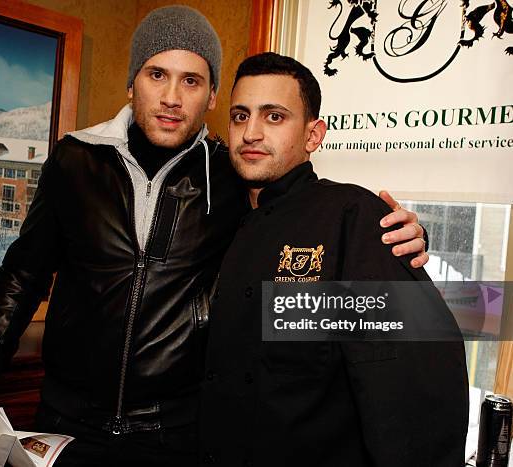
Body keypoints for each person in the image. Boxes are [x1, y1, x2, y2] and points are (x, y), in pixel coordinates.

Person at [0, 7, 429, 466]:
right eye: (157, 75)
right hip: (68, 424)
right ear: (132, 84)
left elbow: (302, 220)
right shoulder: (75, 160)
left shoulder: (234, 174)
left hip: (177, 433)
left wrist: (392, 236)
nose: (172, 97)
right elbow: (24, 272)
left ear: (212, 97)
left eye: (191, 80)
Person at [198, 52, 469, 466]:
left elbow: (420, 384)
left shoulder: (353, 218)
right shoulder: (212, 212)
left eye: (274, 117)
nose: (251, 132)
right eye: (240, 116)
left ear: (313, 135)